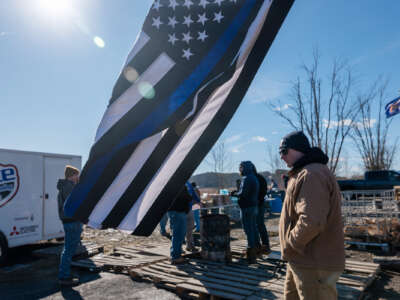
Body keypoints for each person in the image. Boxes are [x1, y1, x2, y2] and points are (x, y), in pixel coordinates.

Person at [278, 131, 345, 300]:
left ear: (296, 149)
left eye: (283, 151)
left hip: (313, 262)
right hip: (302, 259)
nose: (282, 157)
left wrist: (291, 243)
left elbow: (311, 221)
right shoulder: (303, 172)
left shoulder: (311, 174)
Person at [57, 165, 82, 286]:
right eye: (76, 175)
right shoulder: (68, 187)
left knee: (69, 248)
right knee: (69, 249)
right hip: (72, 221)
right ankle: (64, 276)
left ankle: (65, 273)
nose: (78, 177)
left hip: (70, 221)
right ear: (71, 176)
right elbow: (74, 203)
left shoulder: (66, 186)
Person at [237, 161, 259, 264]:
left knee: (248, 229)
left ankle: (251, 254)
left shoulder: (246, 178)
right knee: (253, 228)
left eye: (240, 167)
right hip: (253, 206)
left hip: (247, 207)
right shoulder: (254, 177)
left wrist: (234, 194)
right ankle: (255, 249)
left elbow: (243, 193)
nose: (239, 169)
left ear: (244, 168)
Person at [168, 184, 192, 264]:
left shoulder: (172, 184)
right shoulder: (179, 185)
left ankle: (175, 254)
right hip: (179, 211)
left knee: (176, 234)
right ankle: (176, 257)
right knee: (178, 234)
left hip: (174, 211)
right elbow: (186, 197)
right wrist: (189, 196)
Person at [253, 166, 271, 255]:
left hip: (258, 205)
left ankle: (264, 246)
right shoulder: (259, 177)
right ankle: (264, 245)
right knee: (259, 225)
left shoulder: (255, 178)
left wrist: (257, 200)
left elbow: (263, 191)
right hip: (258, 203)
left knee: (259, 225)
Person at [185, 181, 201, 251]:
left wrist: (198, 201)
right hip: (180, 209)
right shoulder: (177, 182)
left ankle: (190, 245)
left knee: (190, 228)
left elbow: (193, 194)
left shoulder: (188, 183)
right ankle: (177, 250)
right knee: (180, 230)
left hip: (190, 207)